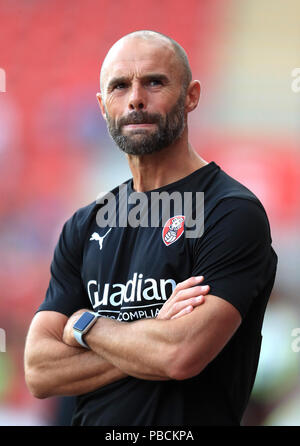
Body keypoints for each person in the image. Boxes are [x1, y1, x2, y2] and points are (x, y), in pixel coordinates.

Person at [24, 30, 277, 426]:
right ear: (103, 106)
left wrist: (85, 324)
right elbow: (40, 370)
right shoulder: (84, 224)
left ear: (191, 95)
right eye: (120, 86)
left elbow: (179, 356)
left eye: (154, 82)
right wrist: (156, 331)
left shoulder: (231, 213)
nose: (136, 98)